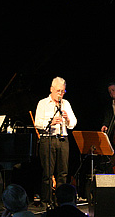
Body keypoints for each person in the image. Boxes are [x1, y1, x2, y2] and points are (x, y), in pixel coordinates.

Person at [35, 77, 77, 207]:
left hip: (63, 139)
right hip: (48, 139)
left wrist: (68, 119)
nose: (61, 94)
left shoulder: (66, 104)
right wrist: (50, 122)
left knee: (63, 173)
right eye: (58, 91)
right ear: (51, 89)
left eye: (63, 91)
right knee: (47, 173)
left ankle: (61, 201)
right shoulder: (43, 103)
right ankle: (46, 201)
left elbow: (74, 123)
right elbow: (37, 122)